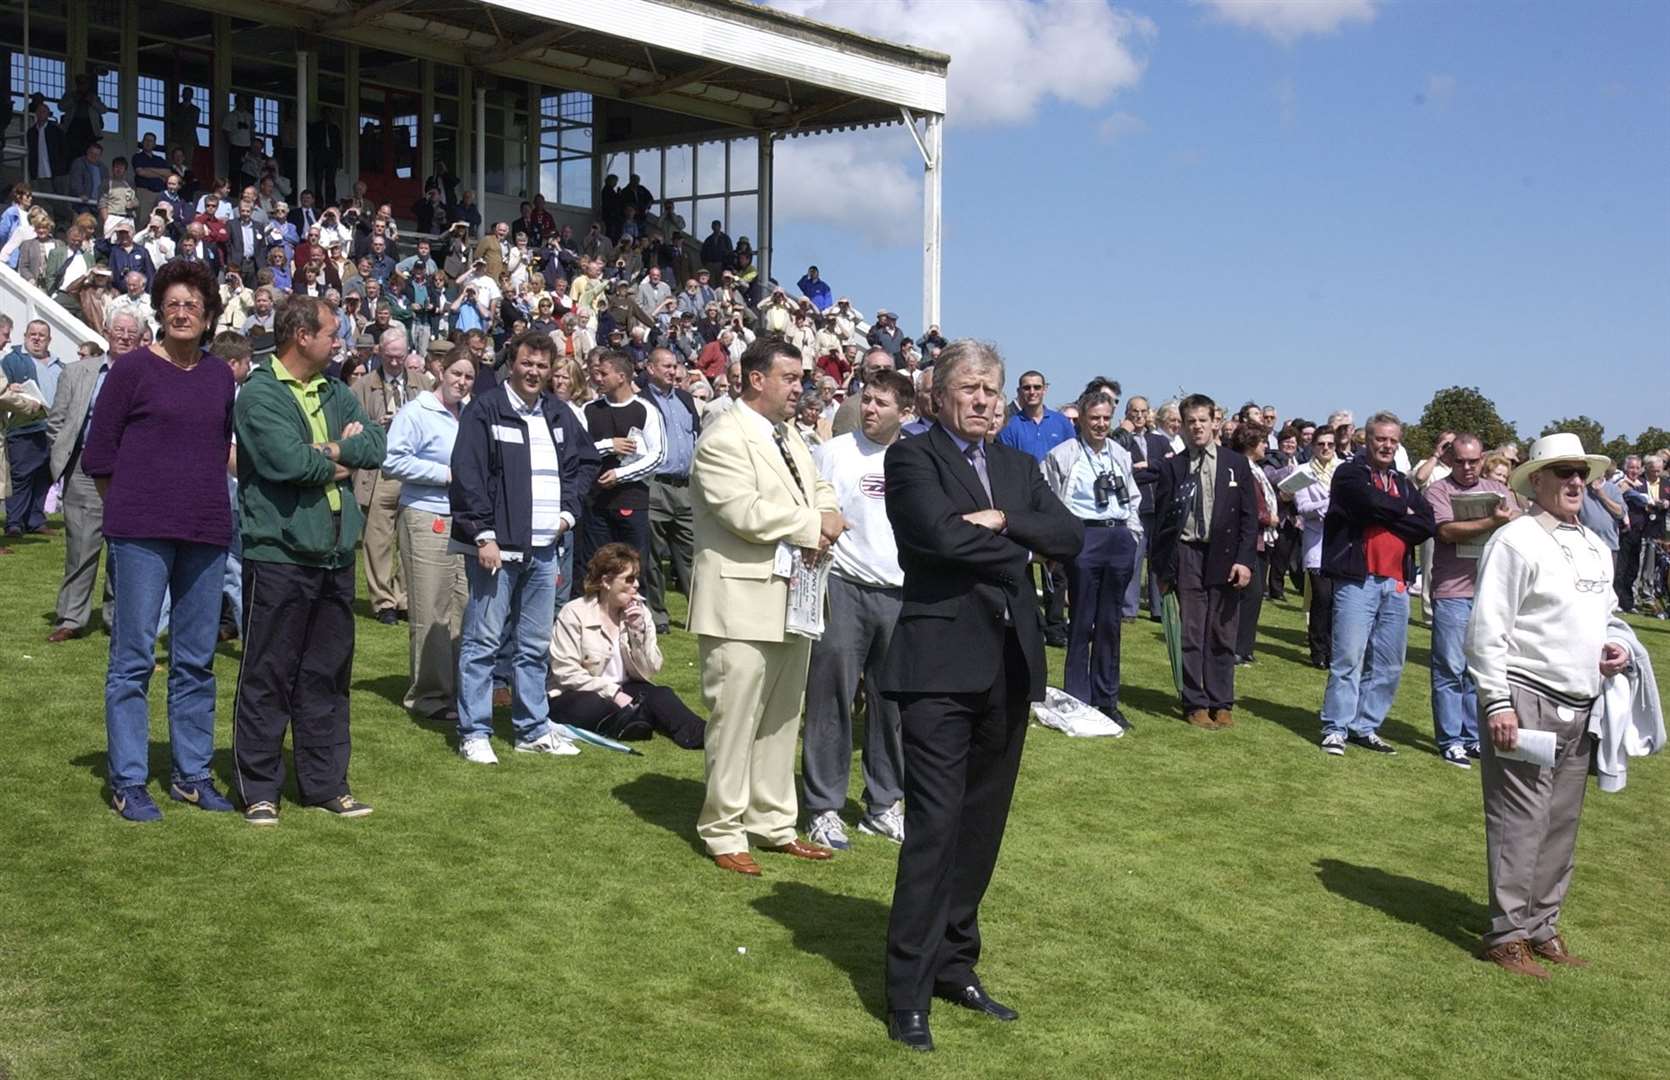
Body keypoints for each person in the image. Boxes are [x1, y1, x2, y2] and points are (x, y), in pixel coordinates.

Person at [879, 340, 1083, 1053]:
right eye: (969, 387)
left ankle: (953, 965)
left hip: (1009, 667)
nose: (984, 398)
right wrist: (1025, 547)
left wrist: (1006, 524)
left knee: (980, 829)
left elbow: (1072, 536)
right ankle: (906, 992)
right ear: (937, 396)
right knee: (934, 830)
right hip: (937, 668)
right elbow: (933, 538)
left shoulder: (1019, 466)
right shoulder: (910, 457)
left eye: (991, 388)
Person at [1466, 432, 1631, 978]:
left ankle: (1541, 926)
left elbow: (1607, 613)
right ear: (1535, 480)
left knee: (1560, 822)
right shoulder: (1515, 541)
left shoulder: (1592, 544)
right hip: (1526, 696)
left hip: (1581, 702)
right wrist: (1496, 705)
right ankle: (1506, 935)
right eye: (1563, 472)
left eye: (1581, 472)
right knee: (1520, 820)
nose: (1575, 482)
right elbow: (1487, 630)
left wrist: (1613, 646)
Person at [79, 260, 239, 821]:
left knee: (196, 661)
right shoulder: (130, 371)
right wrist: (130, 508)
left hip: (205, 533)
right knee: (133, 659)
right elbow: (99, 456)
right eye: (172, 303)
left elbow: (221, 448)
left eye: (192, 305)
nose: (181, 312)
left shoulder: (221, 376)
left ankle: (192, 774)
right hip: (141, 534)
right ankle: (128, 779)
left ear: (208, 314)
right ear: (159, 311)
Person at [688, 336, 843, 876]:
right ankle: (723, 829)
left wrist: (825, 513)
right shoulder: (723, 436)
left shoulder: (789, 436)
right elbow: (741, 510)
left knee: (781, 718)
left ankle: (774, 822)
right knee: (735, 719)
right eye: (791, 378)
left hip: (792, 597)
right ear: (757, 379)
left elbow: (819, 486)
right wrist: (811, 525)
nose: (800, 387)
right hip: (739, 597)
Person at [232, 295, 387, 825]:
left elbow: (376, 444)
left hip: (335, 556)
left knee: (327, 674)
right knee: (268, 673)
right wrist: (335, 454)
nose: (338, 341)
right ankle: (259, 788)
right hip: (278, 556)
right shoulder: (259, 393)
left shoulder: (336, 389)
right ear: (302, 335)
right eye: (331, 332)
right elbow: (284, 461)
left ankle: (326, 784)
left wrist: (331, 453)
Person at [450, 331, 599, 764]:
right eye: (526, 364)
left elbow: (584, 463)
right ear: (511, 365)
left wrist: (569, 514)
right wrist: (483, 534)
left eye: (542, 365)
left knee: (534, 646)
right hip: (498, 550)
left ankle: (532, 727)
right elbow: (467, 473)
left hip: (545, 550)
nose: (534, 372)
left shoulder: (558, 413)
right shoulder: (486, 409)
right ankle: (474, 731)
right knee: (483, 642)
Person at [801, 369, 916, 852]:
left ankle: (884, 804)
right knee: (831, 699)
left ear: (905, 413)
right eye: (866, 400)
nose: (869, 410)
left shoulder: (917, 458)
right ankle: (824, 807)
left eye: (881, 404)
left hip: (900, 592)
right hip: (843, 586)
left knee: (892, 707)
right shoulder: (835, 453)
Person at [1316, 412, 1436, 757]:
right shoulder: (1350, 472)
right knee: (1348, 657)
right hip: (1358, 579)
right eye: (1380, 439)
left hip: (1396, 583)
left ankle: (1364, 726)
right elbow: (1365, 502)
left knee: (1388, 663)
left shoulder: (1401, 480)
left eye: (1392, 440)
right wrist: (1402, 512)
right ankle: (1336, 727)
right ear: (1365, 440)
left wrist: (1390, 512)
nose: (1387, 445)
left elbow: (1426, 523)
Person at [1151, 394, 1259, 730]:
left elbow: (1249, 518)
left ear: (1215, 422)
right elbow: (1163, 523)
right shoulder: (1173, 466)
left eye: (1202, 420)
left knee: (1223, 633)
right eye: (1190, 422)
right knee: (1193, 633)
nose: (1197, 427)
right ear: (1182, 427)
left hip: (1225, 556)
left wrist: (1245, 561)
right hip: (1187, 554)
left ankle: (1221, 702)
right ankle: (1195, 702)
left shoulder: (1236, 464)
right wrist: (1162, 570)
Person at [382, 348, 476, 722]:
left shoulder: (470, 414)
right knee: (430, 606)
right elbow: (392, 460)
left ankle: (456, 688)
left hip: (463, 519)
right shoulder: (416, 413)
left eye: (469, 377)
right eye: (456, 373)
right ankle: (429, 695)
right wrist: (446, 474)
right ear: (440, 370)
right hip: (426, 515)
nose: (462, 382)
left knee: (463, 604)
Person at [1043, 384, 1141, 726]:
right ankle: (1077, 698)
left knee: (1111, 623)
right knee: (1082, 620)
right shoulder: (1063, 454)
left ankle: (1107, 699)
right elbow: (1051, 500)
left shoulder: (1120, 453)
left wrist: (1133, 532)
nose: (1100, 424)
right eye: (1094, 418)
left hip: (1118, 536)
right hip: (1084, 536)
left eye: (1105, 418)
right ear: (1081, 419)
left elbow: (1133, 497)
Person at [548, 543, 705, 747]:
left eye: (637, 578)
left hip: (625, 687)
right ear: (606, 581)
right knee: (594, 706)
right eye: (629, 580)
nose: (636, 585)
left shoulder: (639, 612)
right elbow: (566, 673)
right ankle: (634, 721)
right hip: (578, 692)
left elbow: (651, 670)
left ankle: (702, 735)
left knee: (662, 695)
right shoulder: (574, 612)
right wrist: (613, 693)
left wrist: (638, 631)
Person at [44, 310, 138, 641]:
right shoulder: (77, 372)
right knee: (81, 546)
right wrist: (65, 458)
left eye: (132, 331)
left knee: (125, 549)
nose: (125, 336)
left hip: (132, 472)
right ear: (105, 331)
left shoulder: (148, 373)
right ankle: (71, 617)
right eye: (119, 330)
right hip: (84, 468)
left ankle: (119, 619)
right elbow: (57, 421)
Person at [1424, 434, 1516, 768]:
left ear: (1482, 459)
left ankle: (1472, 736)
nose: (1466, 467)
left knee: (1478, 671)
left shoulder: (1499, 490)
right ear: (1450, 459)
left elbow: (1519, 527)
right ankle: (1450, 740)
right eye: (1460, 461)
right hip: (1452, 590)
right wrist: (1493, 522)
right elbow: (1446, 531)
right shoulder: (1439, 490)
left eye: (1473, 461)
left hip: (1491, 593)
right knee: (1449, 667)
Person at [578, 348, 665, 576]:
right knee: (598, 571)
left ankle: (635, 612)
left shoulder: (646, 410)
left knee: (634, 570)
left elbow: (658, 456)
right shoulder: (588, 410)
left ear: (621, 377)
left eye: (604, 373)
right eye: (596, 373)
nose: (598, 378)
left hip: (632, 502)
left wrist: (620, 475)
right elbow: (577, 451)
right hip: (595, 504)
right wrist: (609, 445)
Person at [353, 327, 416, 624]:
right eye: (390, 357)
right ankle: (383, 602)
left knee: (411, 538)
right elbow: (350, 426)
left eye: (400, 357)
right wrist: (375, 424)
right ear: (379, 352)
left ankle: (404, 597)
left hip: (413, 471)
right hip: (379, 472)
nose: (395, 363)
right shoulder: (364, 386)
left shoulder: (421, 384)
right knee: (377, 539)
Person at [642, 347, 700, 634]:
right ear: (650, 368)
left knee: (690, 553)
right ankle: (658, 614)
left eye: (674, 366)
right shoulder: (642, 401)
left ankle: (699, 613)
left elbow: (696, 437)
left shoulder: (686, 400)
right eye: (665, 366)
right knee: (653, 556)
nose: (672, 371)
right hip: (655, 485)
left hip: (685, 487)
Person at [2, 319, 64, 535]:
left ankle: (36, 521)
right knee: (21, 477)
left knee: (45, 477)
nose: (37, 338)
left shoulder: (60, 365)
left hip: (53, 430)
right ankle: (15, 523)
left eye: (42, 335)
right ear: (25, 336)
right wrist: (11, 387)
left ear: (49, 339)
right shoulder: (12, 361)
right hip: (24, 429)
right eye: (33, 334)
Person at [1116, 395, 1174, 620]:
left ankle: (1157, 609)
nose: (1139, 416)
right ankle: (1128, 609)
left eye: (1143, 411)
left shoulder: (1159, 441)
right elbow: (1126, 471)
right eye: (1134, 412)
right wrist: (1153, 471)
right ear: (1127, 414)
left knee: (1158, 559)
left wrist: (1148, 465)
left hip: (1160, 505)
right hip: (1137, 507)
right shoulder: (1122, 441)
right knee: (1135, 558)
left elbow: (1170, 466)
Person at [1232, 424, 1279, 665]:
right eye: (1262, 442)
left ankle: (1245, 647)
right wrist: (1267, 517)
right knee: (1250, 594)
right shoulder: (1244, 470)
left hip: (1261, 540)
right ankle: (1238, 648)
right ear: (1251, 443)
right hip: (1251, 540)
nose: (1266, 446)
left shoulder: (1255, 470)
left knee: (1255, 594)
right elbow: (1247, 505)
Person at [1293, 427, 1340, 667]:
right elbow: (1302, 506)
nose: (1325, 449)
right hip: (1316, 541)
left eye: (1330, 444)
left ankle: (1333, 648)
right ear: (1313, 446)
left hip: (1340, 542)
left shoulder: (1343, 470)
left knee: (1337, 599)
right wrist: (1328, 503)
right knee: (1321, 597)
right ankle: (1317, 649)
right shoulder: (1303, 472)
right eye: (1321, 444)